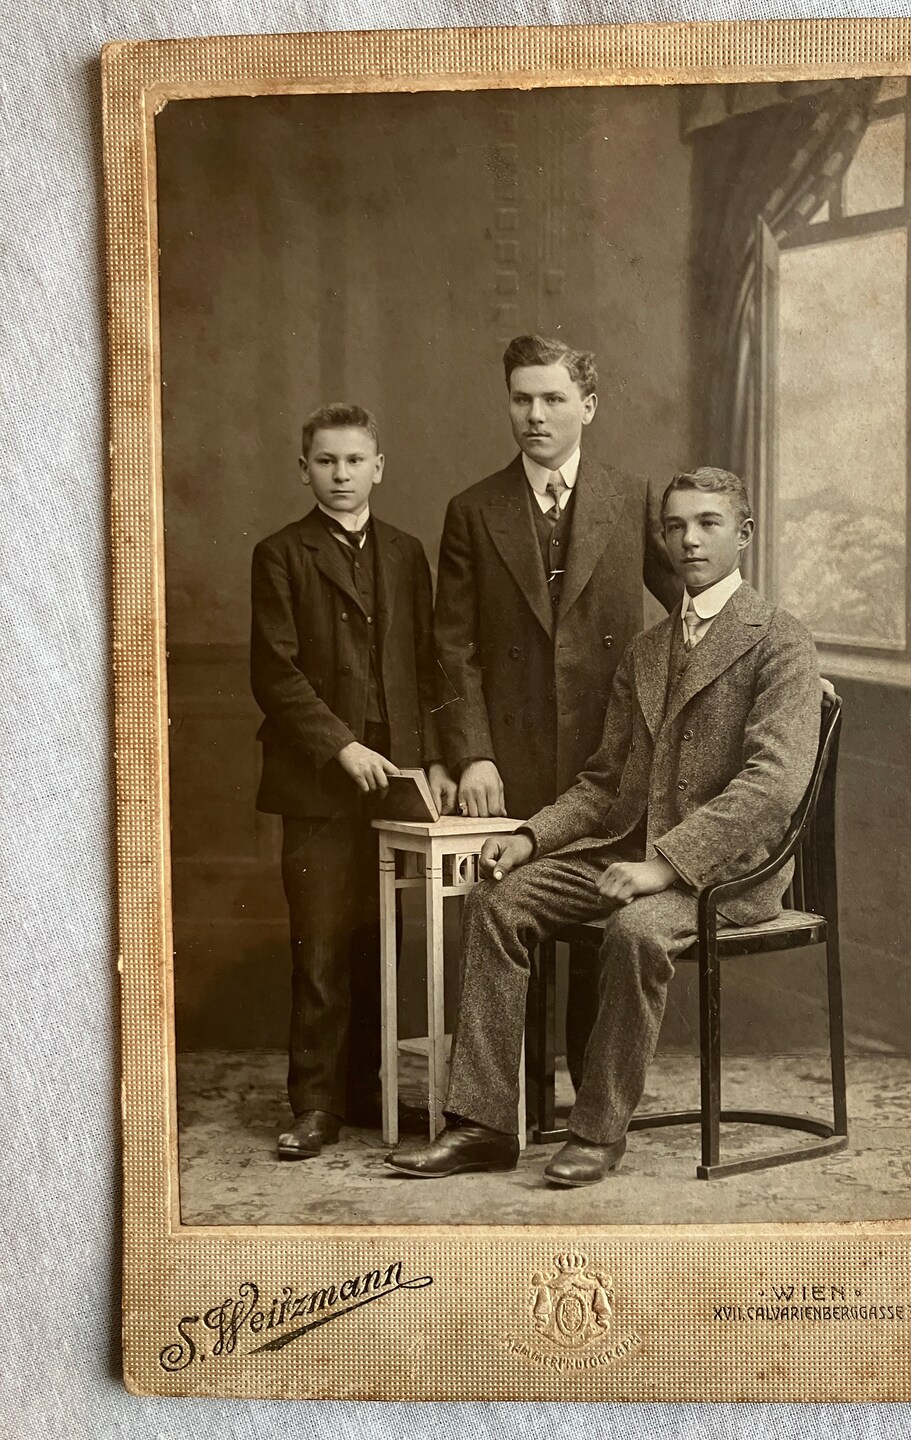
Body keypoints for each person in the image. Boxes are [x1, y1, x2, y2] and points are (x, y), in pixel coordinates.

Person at [386, 467, 821, 1186]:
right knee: (499, 902)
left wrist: (668, 865)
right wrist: (530, 837)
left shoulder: (780, 642)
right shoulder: (648, 652)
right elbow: (600, 785)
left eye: (709, 523)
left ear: (743, 535)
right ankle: (485, 1124)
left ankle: (597, 1130)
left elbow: (771, 787)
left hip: (723, 874)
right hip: (623, 851)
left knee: (635, 930)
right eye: (676, 525)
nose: (689, 539)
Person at [434, 335, 680, 1100]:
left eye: (551, 399)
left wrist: (753, 659)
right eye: (520, 399)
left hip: (609, 755)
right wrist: (473, 753)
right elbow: (453, 648)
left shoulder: (631, 496)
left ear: (588, 406)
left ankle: (588, 1103)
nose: (534, 416)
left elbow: (691, 602)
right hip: (512, 754)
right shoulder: (474, 509)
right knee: (509, 909)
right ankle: (518, 1102)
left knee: (602, 912)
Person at [251, 403, 456, 1161]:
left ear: (380, 466)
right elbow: (275, 673)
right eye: (326, 462)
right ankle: (314, 1104)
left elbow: (427, 663)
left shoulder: (405, 553)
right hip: (319, 780)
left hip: (395, 778)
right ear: (303, 468)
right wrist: (340, 746)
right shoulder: (281, 554)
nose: (341, 475)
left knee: (380, 938)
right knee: (321, 944)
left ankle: (367, 1090)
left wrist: (429, 754)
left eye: (354, 461)